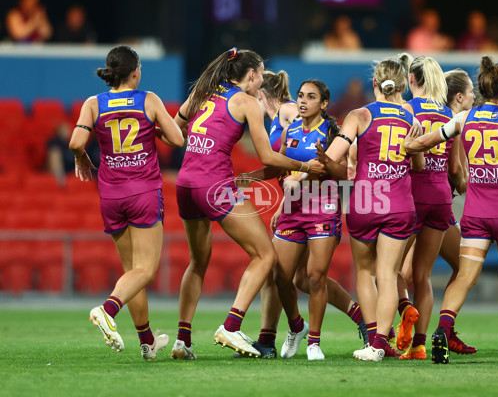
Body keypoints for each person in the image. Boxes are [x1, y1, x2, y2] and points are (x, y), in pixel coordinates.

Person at [169, 48, 324, 360]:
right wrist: (307, 166)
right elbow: (266, 156)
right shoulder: (247, 102)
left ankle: (182, 340)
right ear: (251, 75)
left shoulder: (204, 90)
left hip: (185, 182)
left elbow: (176, 127)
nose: (262, 81)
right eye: (261, 75)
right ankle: (231, 324)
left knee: (197, 262)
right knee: (265, 255)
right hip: (214, 184)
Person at [404, 56, 498, 364]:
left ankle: (443, 330)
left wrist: (409, 146)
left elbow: (429, 140)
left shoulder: (464, 118)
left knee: (465, 276)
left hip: (475, 215)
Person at [69, 45, 185, 360]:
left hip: (110, 195)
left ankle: (147, 343)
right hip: (143, 192)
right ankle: (107, 310)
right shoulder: (148, 99)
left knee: (131, 272)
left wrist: (81, 158)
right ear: (135, 71)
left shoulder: (94, 104)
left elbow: (76, 142)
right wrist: (156, 129)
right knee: (146, 270)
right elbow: (178, 140)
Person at [241, 71, 367, 359]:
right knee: (280, 275)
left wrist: (323, 163)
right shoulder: (291, 131)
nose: (302, 101)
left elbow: (343, 173)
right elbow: (279, 167)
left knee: (314, 277)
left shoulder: (333, 132)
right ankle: (296, 325)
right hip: (293, 210)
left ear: (324, 104)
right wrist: (251, 178)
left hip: (322, 209)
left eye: (311, 97)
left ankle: (313, 343)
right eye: (300, 96)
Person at [317, 53, 425, 362]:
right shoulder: (410, 118)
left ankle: (373, 337)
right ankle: (380, 344)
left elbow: (335, 156)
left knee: (364, 272)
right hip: (400, 202)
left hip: (365, 199)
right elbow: (417, 164)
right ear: (402, 84)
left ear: (374, 83)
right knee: (388, 275)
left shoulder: (359, 115)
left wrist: (319, 158)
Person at [397, 68, 477, 360]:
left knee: (391, 271)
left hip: (412, 198)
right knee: (422, 275)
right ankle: (422, 341)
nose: (473, 97)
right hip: (440, 200)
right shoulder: (451, 117)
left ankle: (394, 326)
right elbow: (457, 173)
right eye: (470, 92)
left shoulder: (408, 110)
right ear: (457, 95)